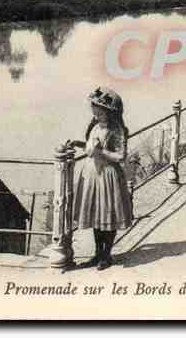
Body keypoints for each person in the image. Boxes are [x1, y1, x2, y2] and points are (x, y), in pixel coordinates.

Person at [68, 87, 134, 270]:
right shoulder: (95, 126)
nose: (96, 112)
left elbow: (121, 156)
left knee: (108, 215)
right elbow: (90, 147)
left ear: (111, 112)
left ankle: (106, 255)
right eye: (94, 108)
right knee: (97, 215)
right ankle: (97, 253)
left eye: (100, 109)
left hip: (108, 176)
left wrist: (100, 152)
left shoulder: (117, 129)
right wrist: (78, 143)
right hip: (92, 174)